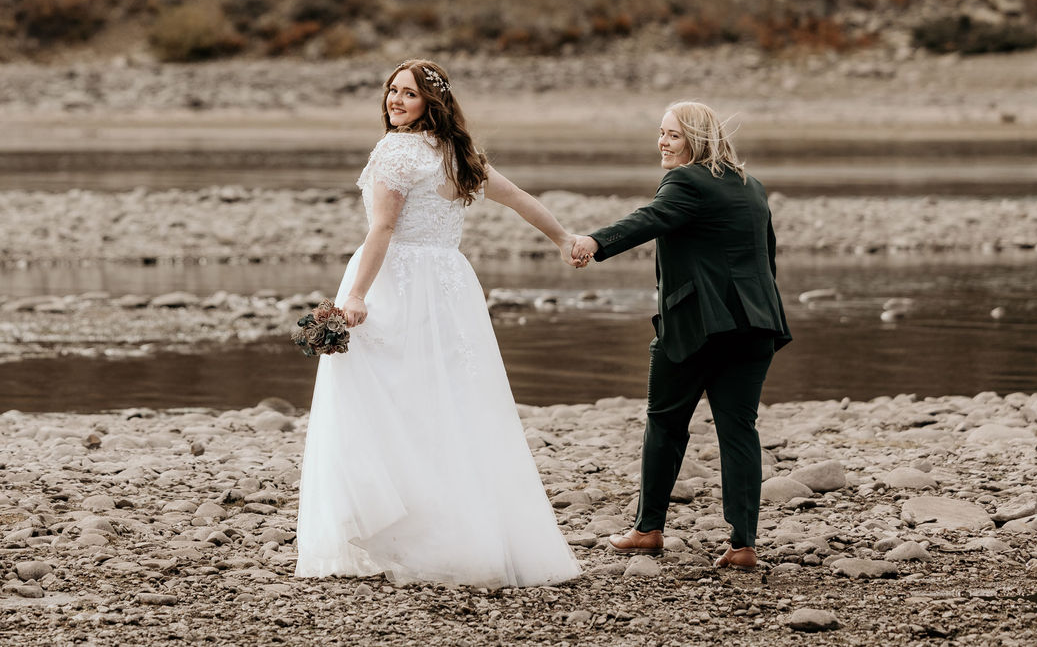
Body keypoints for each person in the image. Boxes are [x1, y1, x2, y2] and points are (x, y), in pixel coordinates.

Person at [295, 59, 583, 586]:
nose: (395, 101)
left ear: (432, 102)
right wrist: (561, 238)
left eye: (408, 93)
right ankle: (453, 524)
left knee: (379, 397)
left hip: (396, 282)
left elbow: (383, 227)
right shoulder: (456, 153)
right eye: (391, 91)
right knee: (446, 400)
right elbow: (516, 197)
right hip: (449, 284)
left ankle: (397, 527)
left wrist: (356, 295)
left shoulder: (398, 150)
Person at [564, 100, 791, 570]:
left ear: (697, 139)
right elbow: (767, 258)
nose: (662, 143)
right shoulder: (752, 185)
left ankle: (648, 530)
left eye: (672, 134)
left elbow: (649, 219)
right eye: (660, 133)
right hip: (756, 324)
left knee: (665, 423)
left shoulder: (686, 181)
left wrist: (595, 241)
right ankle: (743, 544)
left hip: (698, 327)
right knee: (739, 429)